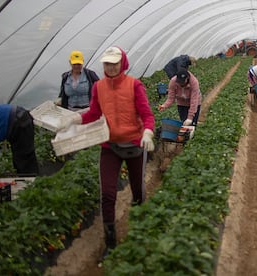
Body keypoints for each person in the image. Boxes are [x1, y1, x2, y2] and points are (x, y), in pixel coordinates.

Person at [63, 46, 155, 261]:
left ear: (122, 63)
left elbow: (147, 114)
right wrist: (76, 119)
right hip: (110, 147)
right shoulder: (98, 87)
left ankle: (139, 234)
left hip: (134, 145)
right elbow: (94, 113)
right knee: (107, 193)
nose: (110, 67)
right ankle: (111, 242)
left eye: (114, 63)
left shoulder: (135, 85)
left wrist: (148, 132)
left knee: (138, 190)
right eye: (107, 63)